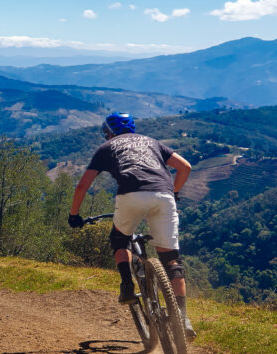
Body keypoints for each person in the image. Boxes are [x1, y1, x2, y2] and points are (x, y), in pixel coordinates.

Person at [67, 112, 196, 339]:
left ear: (108, 133)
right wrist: (174, 192)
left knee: (120, 238)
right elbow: (185, 167)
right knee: (172, 260)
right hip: (163, 196)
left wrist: (74, 215)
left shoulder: (107, 147)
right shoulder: (152, 142)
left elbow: (82, 186)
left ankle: (127, 285)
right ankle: (183, 319)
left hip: (131, 195)